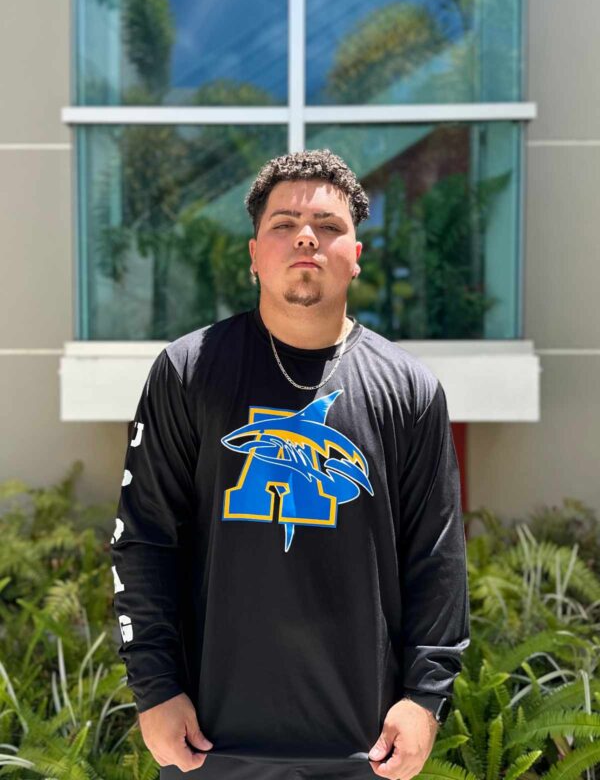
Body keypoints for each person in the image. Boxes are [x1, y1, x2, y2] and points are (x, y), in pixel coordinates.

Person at [110, 149, 470, 780]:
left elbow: (436, 559)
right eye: (283, 224)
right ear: (255, 255)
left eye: (330, 227)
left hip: (366, 744)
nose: (307, 236)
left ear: (356, 255)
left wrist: (424, 698)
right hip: (210, 742)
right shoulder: (188, 371)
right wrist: (155, 688)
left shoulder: (410, 390)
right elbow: (143, 539)